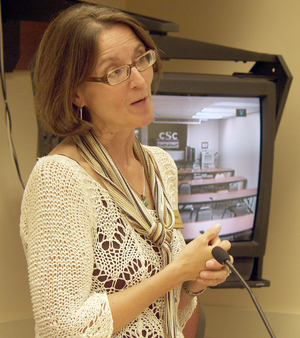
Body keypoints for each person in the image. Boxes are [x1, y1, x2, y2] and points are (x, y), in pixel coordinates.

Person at [20, 3, 232, 338]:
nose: (139, 81)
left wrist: (193, 282)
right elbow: (61, 330)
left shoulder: (160, 165)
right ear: (75, 93)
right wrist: (177, 272)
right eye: (115, 71)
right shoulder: (58, 179)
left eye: (140, 59)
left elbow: (164, 313)